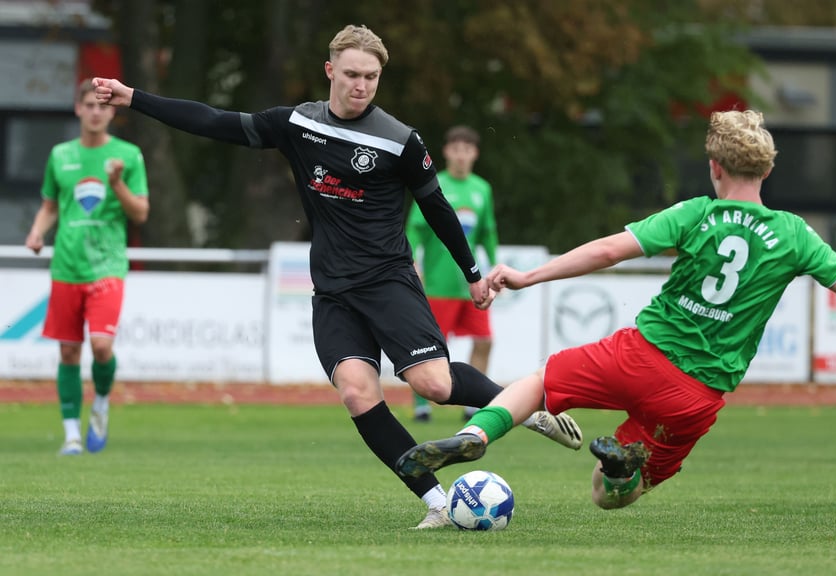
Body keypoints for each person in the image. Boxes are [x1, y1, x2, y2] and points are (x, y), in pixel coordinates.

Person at [90, 24, 580, 529]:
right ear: (330, 71)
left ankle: (523, 403)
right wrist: (134, 98)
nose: (360, 85)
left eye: (370, 76)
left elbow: (437, 208)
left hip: (388, 280)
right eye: (351, 74)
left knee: (432, 385)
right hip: (333, 291)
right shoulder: (298, 124)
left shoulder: (400, 140)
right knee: (356, 392)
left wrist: (473, 273)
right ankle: (436, 503)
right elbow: (215, 120)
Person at [395, 110, 836, 511]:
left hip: (637, 354)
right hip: (696, 397)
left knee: (539, 381)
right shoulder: (795, 235)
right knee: (607, 495)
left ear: (714, 167)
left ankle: (476, 432)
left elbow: (606, 251)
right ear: (769, 170)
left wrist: (530, 274)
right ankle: (623, 468)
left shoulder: (695, 214)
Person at [24, 78, 149, 457]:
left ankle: (101, 402)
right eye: (89, 105)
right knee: (67, 353)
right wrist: (35, 233)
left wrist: (116, 184)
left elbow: (140, 213)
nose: (96, 112)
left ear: (112, 111)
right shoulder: (61, 155)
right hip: (66, 266)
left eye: (102, 106)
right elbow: (50, 205)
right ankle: (71, 437)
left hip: (107, 265)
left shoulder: (128, 156)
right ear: (79, 109)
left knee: (101, 346)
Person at [406, 125, 498, 423]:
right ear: (446, 152)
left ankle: (474, 405)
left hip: (470, 283)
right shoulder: (435, 183)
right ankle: (422, 405)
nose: (461, 155)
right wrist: (413, 261)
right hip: (438, 282)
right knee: (431, 346)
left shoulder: (482, 188)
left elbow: (488, 233)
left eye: (467, 149)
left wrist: (495, 267)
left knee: (484, 340)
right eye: (455, 149)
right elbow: (415, 229)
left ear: (475, 154)